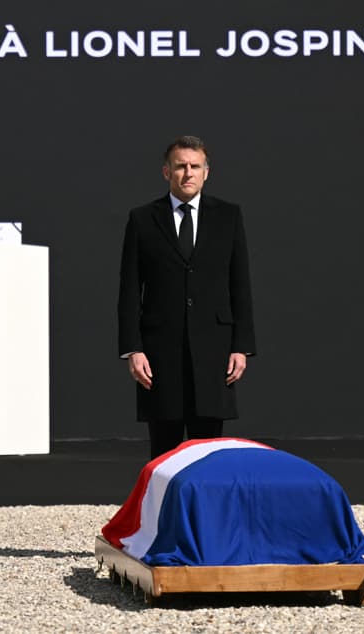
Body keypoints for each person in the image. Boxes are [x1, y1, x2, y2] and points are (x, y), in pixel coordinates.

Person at [117, 136, 255, 459]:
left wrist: (241, 346)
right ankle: (164, 511)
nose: (188, 173)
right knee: (163, 452)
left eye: (195, 166)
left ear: (207, 172)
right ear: (166, 172)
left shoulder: (228, 217)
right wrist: (132, 348)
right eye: (180, 166)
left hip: (214, 353)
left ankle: (203, 511)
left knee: (207, 453)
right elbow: (128, 289)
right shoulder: (142, 219)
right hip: (160, 354)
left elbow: (240, 285)